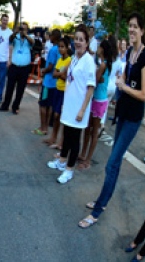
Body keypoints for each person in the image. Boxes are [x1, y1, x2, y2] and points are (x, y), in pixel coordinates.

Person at [79, 13, 145, 229]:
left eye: (136, 27)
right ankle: (104, 200)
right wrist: (121, 81)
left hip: (134, 118)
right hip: (123, 112)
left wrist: (125, 87)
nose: (132, 30)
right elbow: (127, 77)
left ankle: (98, 210)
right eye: (130, 26)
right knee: (114, 163)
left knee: (112, 163)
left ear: (142, 31)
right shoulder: (129, 52)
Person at [46, 25, 95, 184]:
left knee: (74, 140)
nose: (78, 42)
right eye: (76, 39)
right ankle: (61, 161)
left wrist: (82, 110)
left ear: (87, 43)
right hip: (69, 105)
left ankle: (69, 169)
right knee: (67, 135)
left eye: (81, 40)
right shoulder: (74, 58)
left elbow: (90, 88)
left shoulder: (88, 61)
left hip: (78, 109)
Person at [78, 39, 114, 170]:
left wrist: (96, 74)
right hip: (97, 100)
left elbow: (95, 80)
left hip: (98, 101)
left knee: (92, 131)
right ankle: (83, 155)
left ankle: (87, 159)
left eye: (99, 47)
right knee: (88, 129)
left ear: (103, 49)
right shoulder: (104, 64)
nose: (97, 49)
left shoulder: (103, 65)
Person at [0, 21, 33, 115]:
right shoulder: (15, 37)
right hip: (14, 66)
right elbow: (10, 39)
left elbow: (32, 42)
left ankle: (15, 107)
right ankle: (5, 106)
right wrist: (15, 32)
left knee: (20, 89)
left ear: (27, 30)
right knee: (9, 87)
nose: (22, 31)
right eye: (21, 28)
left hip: (25, 68)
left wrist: (25, 35)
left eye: (24, 29)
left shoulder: (30, 38)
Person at [42, 36, 71, 148]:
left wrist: (60, 74)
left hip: (65, 91)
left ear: (67, 47)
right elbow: (55, 74)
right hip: (57, 89)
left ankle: (61, 142)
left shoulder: (70, 60)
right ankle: (53, 137)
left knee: (60, 115)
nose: (60, 49)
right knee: (55, 115)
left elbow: (66, 76)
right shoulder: (59, 60)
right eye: (59, 46)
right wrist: (60, 74)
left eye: (62, 47)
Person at [33, 29, 61, 136]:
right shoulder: (59, 49)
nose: (49, 37)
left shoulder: (53, 50)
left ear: (54, 36)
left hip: (48, 82)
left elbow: (50, 66)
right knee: (49, 106)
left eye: (51, 35)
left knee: (43, 105)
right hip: (55, 83)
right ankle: (45, 128)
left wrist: (43, 71)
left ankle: (43, 127)